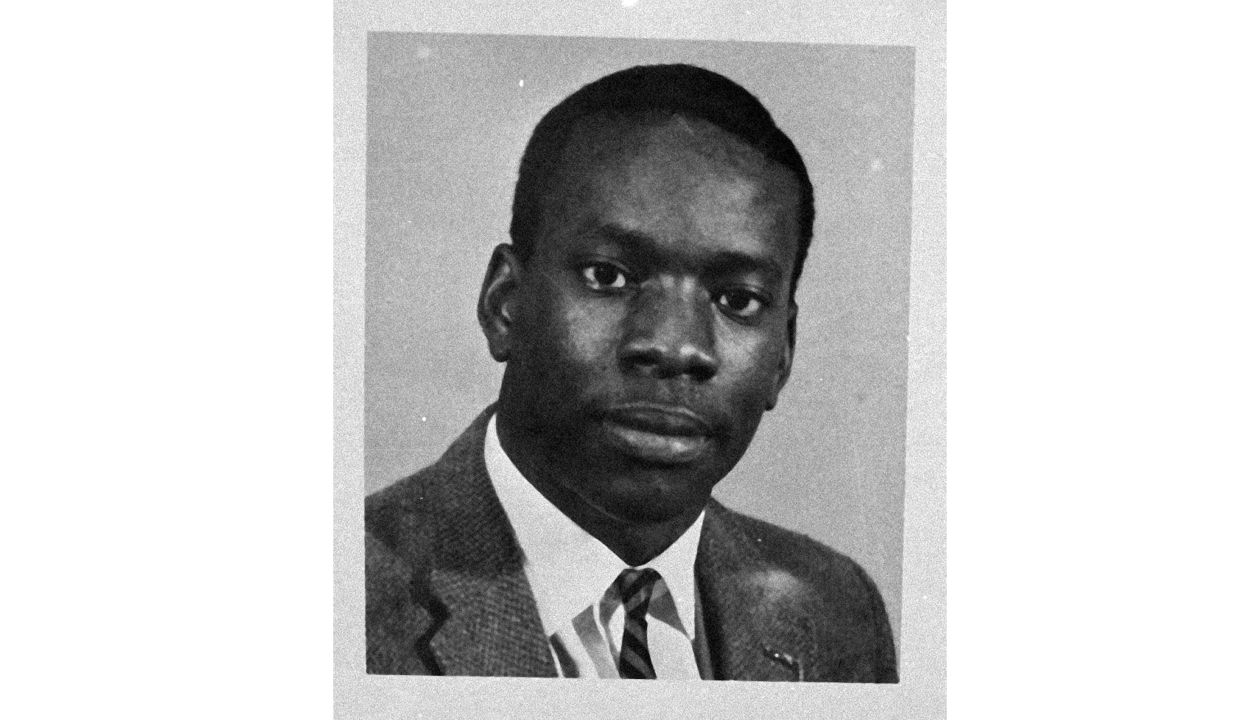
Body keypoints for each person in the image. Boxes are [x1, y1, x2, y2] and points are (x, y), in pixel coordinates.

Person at [365, 63, 898, 682]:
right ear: (505, 304)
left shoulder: (836, 610)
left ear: (784, 352)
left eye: (737, 300)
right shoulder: (343, 595)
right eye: (608, 276)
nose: (675, 347)